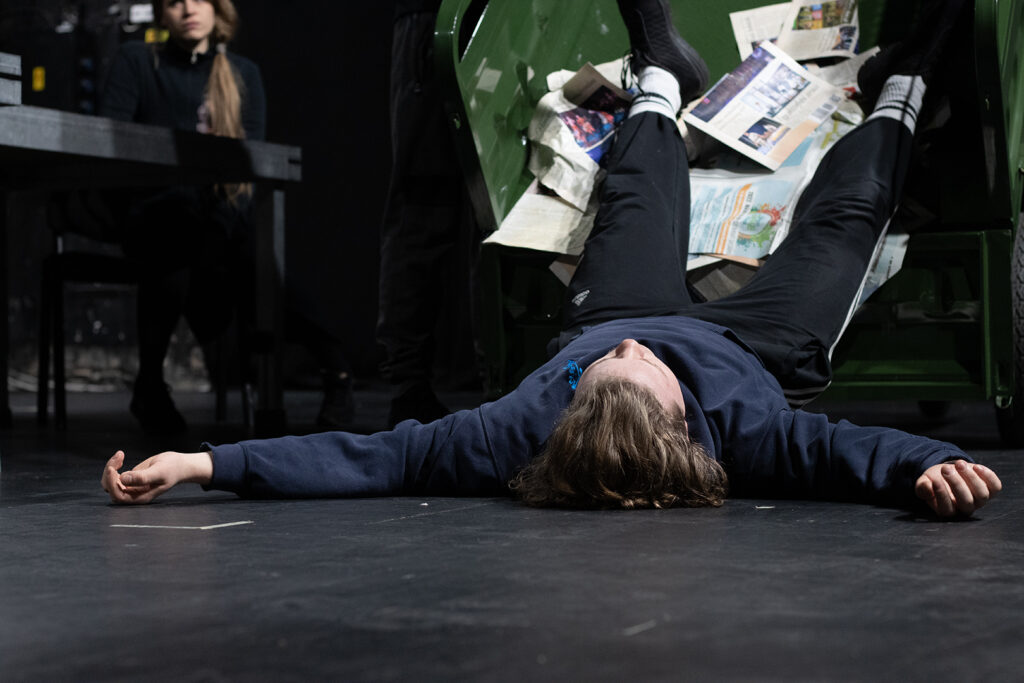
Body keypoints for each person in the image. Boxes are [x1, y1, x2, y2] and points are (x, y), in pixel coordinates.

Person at [102, 0, 1001, 518]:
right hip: (758, 348)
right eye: (637, 367)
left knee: (636, 200)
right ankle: (902, 89)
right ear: (683, 425)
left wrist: (204, 463)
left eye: (595, 373)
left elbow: (370, 458)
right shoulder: (753, 432)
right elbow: (848, 449)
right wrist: (925, 463)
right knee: (843, 223)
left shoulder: (524, 422)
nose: (632, 352)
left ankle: (661, 78)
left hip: (617, 300)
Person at [99, 0, 353, 434]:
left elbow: (249, 168)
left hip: (222, 218)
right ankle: (151, 384)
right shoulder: (138, 61)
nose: (188, 9)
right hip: (157, 215)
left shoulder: (241, 73)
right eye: (175, 2)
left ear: (219, 10)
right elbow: (112, 142)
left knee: (264, 263)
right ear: (161, 14)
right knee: (174, 235)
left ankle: (338, 373)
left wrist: (219, 225)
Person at [377, 0, 479, 427]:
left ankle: (508, 376)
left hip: (508, 16)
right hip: (436, 18)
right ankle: (408, 386)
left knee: (501, 209)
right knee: (423, 210)